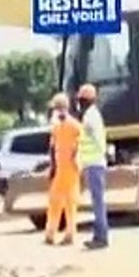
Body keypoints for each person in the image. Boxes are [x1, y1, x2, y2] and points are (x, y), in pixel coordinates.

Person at [45, 92, 82, 245]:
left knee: (68, 202)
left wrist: (76, 161)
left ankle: (67, 234)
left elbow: (80, 146)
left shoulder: (73, 126)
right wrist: (53, 167)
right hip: (63, 169)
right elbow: (53, 148)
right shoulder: (59, 126)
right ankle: (53, 233)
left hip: (70, 169)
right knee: (58, 201)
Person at [76, 83, 109, 249]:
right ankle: (99, 235)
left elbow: (98, 140)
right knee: (97, 201)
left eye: (81, 99)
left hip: (94, 163)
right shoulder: (91, 114)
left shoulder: (90, 117)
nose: (79, 102)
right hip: (93, 163)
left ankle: (101, 237)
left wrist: (98, 156)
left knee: (98, 202)